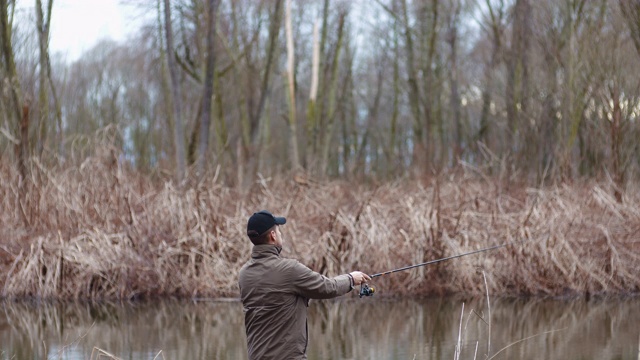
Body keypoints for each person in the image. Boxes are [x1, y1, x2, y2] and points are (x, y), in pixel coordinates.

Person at [238, 210, 371, 360]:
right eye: (279, 231)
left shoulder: (244, 274)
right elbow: (327, 287)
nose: (281, 235)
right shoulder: (289, 270)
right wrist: (351, 279)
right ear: (273, 236)